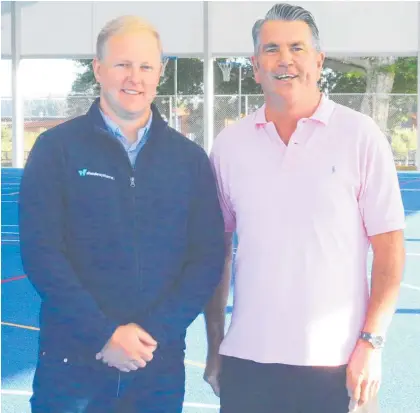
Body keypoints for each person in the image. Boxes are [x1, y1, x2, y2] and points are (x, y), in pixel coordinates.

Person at [204, 3, 406, 413]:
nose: (285, 60)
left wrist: (371, 344)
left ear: (318, 59)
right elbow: (216, 253)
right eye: (271, 49)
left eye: (297, 47)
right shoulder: (229, 146)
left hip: (337, 363)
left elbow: (390, 252)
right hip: (248, 361)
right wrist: (215, 345)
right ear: (255, 65)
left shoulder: (360, 136)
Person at [19, 15, 225, 413]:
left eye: (146, 66)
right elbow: (42, 254)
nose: (135, 77)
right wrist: (103, 335)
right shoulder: (56, 149)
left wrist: (152, 333)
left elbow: (206, 259)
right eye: (122, 64)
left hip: (156, 365)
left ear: (160, 72)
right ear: (98, 69)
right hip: (71, 366)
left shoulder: (189, 161)